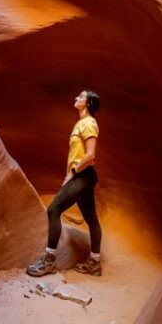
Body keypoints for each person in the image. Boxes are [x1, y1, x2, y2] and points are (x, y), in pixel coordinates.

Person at [26, 89, 103, 277]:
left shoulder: (89, 123)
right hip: (82, 176)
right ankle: (94, 263)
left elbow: (90, 155)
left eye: (81, 96)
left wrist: (74, 172)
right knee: (91, 219)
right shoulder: (81, 123)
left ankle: (49, 261)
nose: (76, 97)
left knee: (53, 210)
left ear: (88, 103)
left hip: (83, 176)